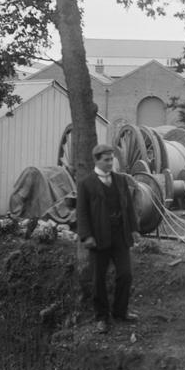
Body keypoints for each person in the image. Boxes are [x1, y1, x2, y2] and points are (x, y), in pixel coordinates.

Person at [77, 143, 140, 333]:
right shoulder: (86, 184)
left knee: (125, 274)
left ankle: (121, 311)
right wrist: (86, 236)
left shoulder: (120, 180)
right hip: (99, 238)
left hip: (120, 235)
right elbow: (82, 212)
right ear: (97, 160)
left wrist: (134, 229)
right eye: (106, 160)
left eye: (112, 159)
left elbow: (129, 206)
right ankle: (101, 317)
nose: (110, 162)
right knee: (98, 280)